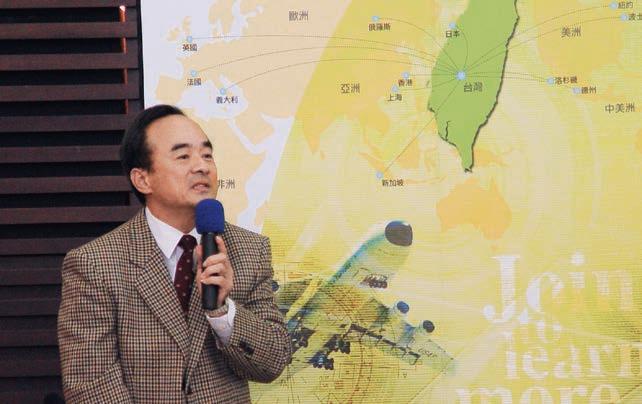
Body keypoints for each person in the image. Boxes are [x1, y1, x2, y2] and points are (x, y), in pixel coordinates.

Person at [57, 105, 291, 403]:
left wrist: (223, 312)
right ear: (143, 179)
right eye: (183, 156)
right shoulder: (95, 263)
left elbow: (273, 362)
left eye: (207, 155)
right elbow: (90, 384)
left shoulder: (249, 250)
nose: (202, 166)